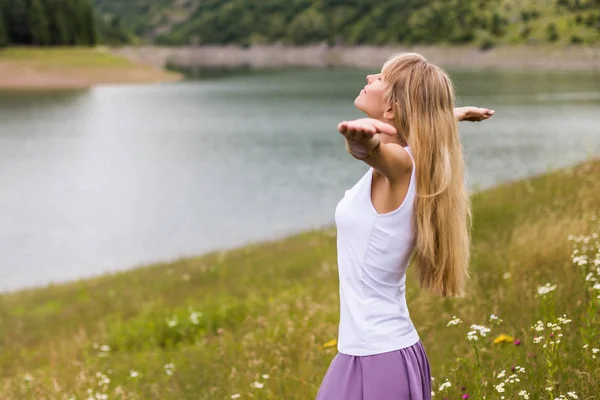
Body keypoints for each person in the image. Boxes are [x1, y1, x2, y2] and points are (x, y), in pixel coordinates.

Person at [315, 52, 495, 400]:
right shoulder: (418, 154)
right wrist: (451, 114)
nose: (369, 77)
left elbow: (372, 150)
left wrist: (360, 140)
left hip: (377, 359)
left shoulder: (400, 167)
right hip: (374, 352)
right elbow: (424, 129)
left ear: (393, 109)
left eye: (380, 77)